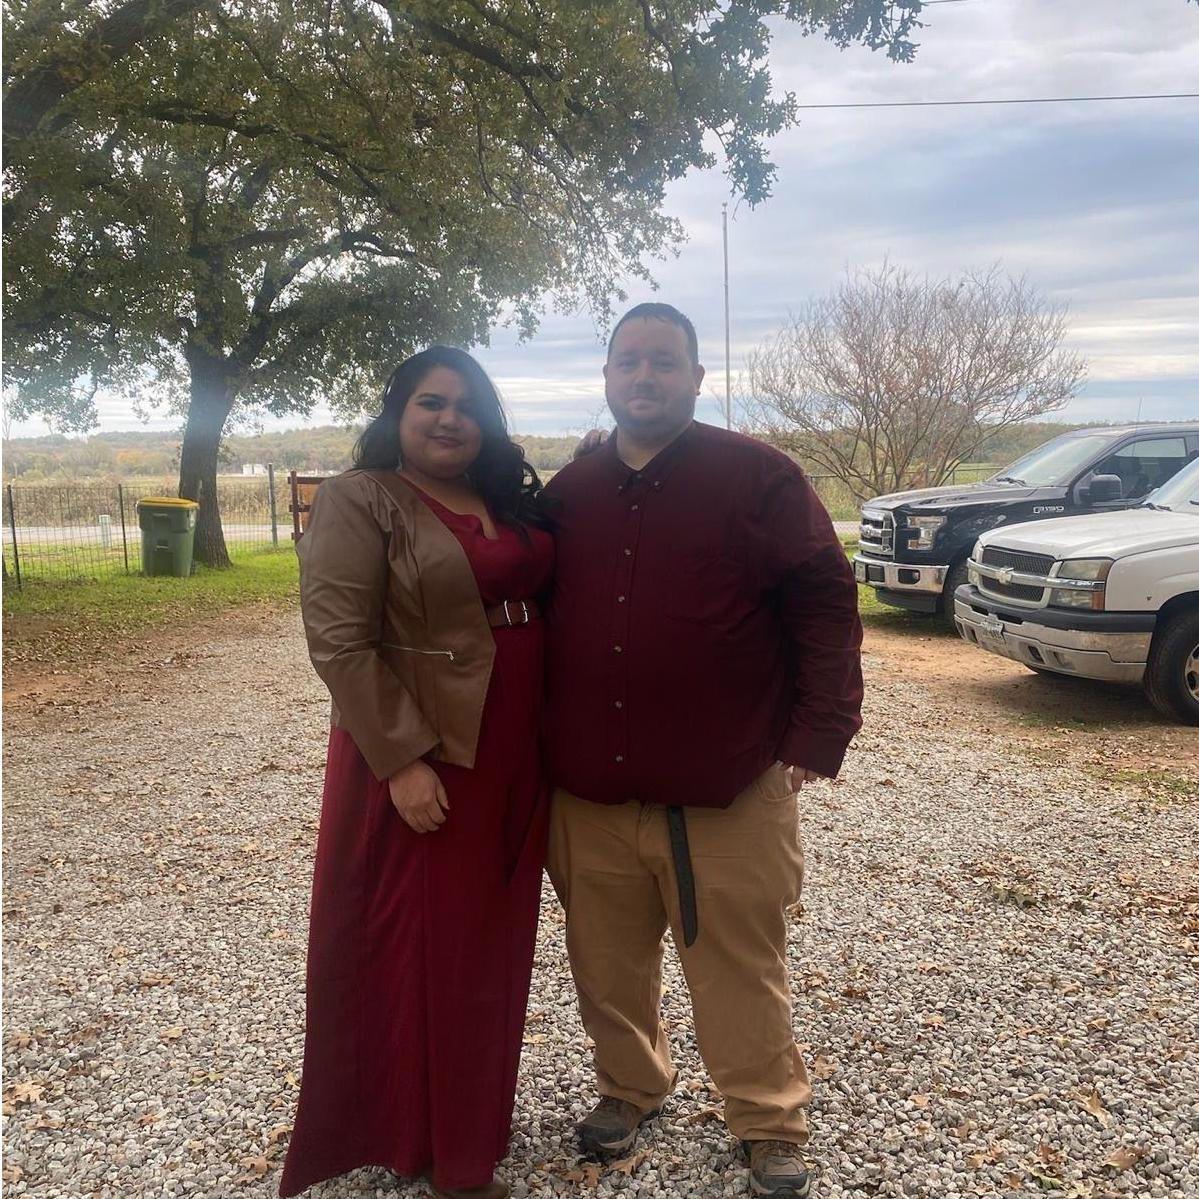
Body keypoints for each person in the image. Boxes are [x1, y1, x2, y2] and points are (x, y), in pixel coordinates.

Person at [543, 303, 864, 1199]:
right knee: (606, 966)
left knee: (739, 968)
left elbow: (824, 603)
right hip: (591, 795)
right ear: (607, 377)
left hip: (727, 787)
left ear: (695, 376)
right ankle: (630, 1085)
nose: (643, 376)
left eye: (663, 361)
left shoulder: (759, 478)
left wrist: (819, 730)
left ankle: (767, 1120)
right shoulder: (570, 493)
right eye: (628, 361)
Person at [279, 346, 554, 1199]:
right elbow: (339, 641)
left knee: (492, 941)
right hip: (433, 753)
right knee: (435, 946)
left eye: (467, 405)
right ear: (397, 413)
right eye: (431, 402)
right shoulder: (362, 498)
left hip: (518, 749)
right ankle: (437, 1146)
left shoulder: (500, 496)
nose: (449, 418)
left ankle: (473, 1120)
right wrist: (400, 759)